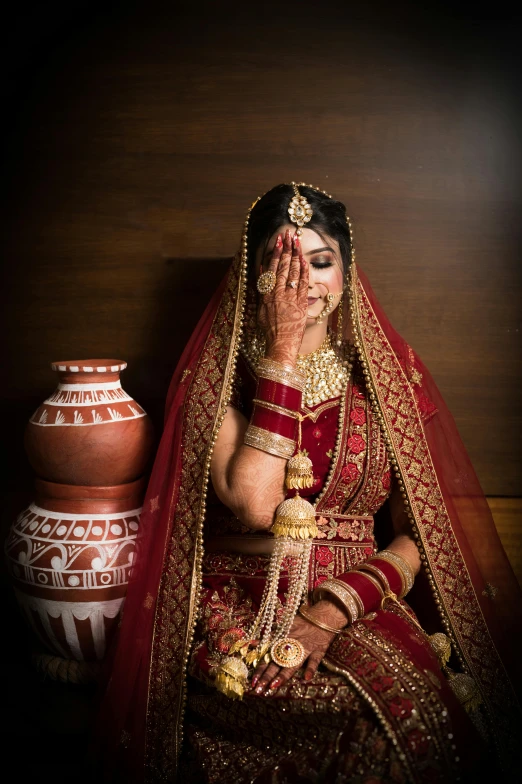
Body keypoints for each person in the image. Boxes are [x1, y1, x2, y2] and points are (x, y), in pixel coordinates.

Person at [91, 183, 522, 783]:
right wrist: (283, 355)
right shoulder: (219, 385)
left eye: (321, 262)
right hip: (244, 600)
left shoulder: (385, 386)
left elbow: (417, 534)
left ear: (347, 273)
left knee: (419, 713)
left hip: (359, 597)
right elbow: (258, 503)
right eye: (283, 263)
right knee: (336, 708)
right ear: (254, 277)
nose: (306, 282)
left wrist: (336, 608)